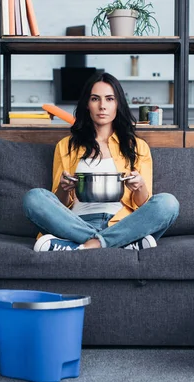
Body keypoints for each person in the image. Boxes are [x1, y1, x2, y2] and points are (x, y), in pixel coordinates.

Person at [23, 72, 179, 251]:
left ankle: (85, 246)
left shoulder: (137, 146)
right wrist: (63, 188)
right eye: (95, 99)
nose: (102, 106)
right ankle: (122, 244)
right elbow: (59, 204)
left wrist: (140, 186)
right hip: (76, 223)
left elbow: (144, 205)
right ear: (87, 105)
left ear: (118, 104)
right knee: (34, 197)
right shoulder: (65, 146)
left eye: (110, 99)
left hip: (122, 223)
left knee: (168, 203)